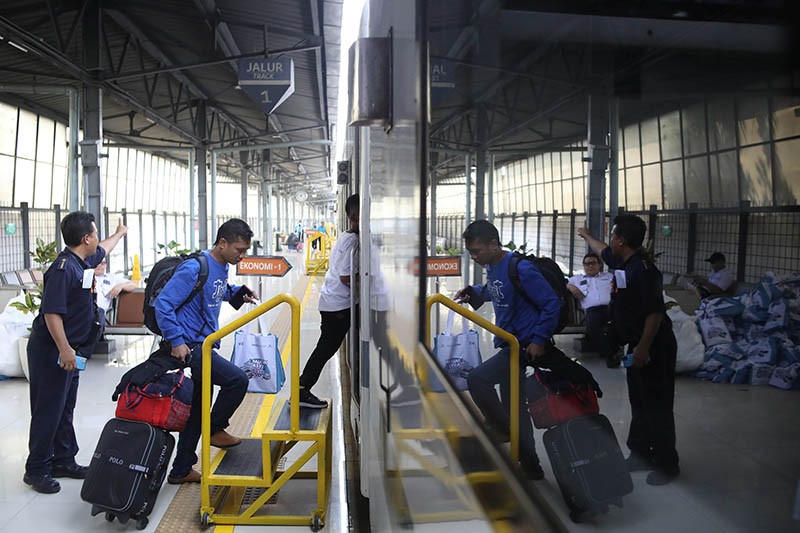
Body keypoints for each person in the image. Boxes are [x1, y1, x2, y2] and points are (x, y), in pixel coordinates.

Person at [24, 212, 127, 494]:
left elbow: (104, 248)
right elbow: (52, 313)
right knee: (48, 410)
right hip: (53, 351)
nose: (97, 238)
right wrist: (65, 349)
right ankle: (36, 469)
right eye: (95, 233)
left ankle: (63, 459)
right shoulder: (62, 269)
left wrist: (120, 233)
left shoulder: (81, 261)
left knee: (65, 407)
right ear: (86, 238)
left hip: (72, 350)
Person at [577, 215, 680, 486]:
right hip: (638, 344)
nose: (610, 240)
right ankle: (640, 453)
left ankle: (668, 464)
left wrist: (643, 349)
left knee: (657, 405)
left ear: (621, 239)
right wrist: (587, 235)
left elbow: (655, 315)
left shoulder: (643, 271)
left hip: (655, 345)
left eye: (612, 235)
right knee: (639, 400)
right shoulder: (625, 262)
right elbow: (604, 251)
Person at [455, 220, 561, 481]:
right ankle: (531, 466)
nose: (475, 257)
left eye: (478, 251)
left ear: (494, 244)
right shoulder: (493, 267)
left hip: (522, 346)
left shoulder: (520, 268)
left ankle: (502, 428)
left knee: (479, 379)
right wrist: (475, 292)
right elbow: (497, 291)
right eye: (471, 253)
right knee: (515, 406)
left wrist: (538, 340)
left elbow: (551, 303)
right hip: (509, 342)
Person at [154, 218, 256, 485]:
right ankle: (215, 428)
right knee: (237, 380)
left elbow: (213, 292)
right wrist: (177, 341)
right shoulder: (194, 268)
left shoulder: (221, 267)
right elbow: (163, 304)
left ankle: (181, 470)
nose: (242, 256)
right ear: (222, 243)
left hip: (205, 343)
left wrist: (236, 293)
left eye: (245, 251)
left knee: (197, 410)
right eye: (239, 250)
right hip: (192, 347)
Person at [297, 195, 359, 408]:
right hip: (338, 305)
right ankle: (302, 390)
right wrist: (369, 285)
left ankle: (302, 389)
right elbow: (346, 277)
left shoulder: (346, 236)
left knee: (326, 347)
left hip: (334, 301)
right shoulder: (353, 241)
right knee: (325, 348)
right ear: (353, 216)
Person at [567, 252, 620, 367]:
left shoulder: (608, 276)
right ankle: (610, 355)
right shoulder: (577, 279)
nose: (590, 266)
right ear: (584, 266)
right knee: (593, 327)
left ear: (599, 265)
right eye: (587, 264)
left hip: (610, 307)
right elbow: (561, 281)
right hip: (592, 310)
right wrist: (569, 286)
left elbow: (622, 284)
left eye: (593, 263)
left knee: (619, 322)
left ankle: (614, 351)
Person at [93, 258, 137, 333]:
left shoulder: (111, 278)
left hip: (99, 313)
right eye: (97, 263)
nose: (100, 265)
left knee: (99, 313)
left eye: (103, 263)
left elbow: (132, 285)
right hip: (87, 311)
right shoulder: (85, 276)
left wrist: (120, 286)